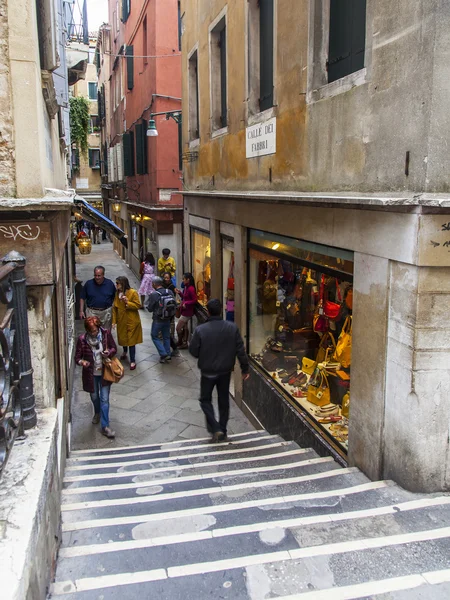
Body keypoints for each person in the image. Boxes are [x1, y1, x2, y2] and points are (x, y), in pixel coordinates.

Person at [189, 298, 250, 443]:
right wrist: (245, 368)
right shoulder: (232, 328)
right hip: (224, 371)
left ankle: (215, 427)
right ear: (221, 309)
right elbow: (240, 350)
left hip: (207, 371)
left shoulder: (200, 330)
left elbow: (193, 351)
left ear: (208, 311)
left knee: (205, 400)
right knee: (224, 400)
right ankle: (222, 429)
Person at [75, 316, 117, 438]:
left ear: (98, 327)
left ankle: (105, 426)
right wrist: (82, 362)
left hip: (105, 373)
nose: (94, 333)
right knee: (94, 397)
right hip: (90, 374)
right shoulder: (82, 339)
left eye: (95, 330)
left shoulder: (105, 334)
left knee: (104, 399)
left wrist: (108, 353)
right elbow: (77, 358)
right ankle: (97, 412)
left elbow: (113, 347)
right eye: (91, 331)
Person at [112, 276, 142, 370]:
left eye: (118, 283)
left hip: (132, 320)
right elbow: (114, 308)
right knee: (123, 337)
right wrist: (114, 321)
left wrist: (127, 302)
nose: (116, 285)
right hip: (122, 320)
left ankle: (132, 360)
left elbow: (137, 305)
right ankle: (125, 351)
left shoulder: (133, 292)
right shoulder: (117, 294)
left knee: (131, 341)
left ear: (123, 284)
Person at [146, 276, 176, 363]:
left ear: (154, 284)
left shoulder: (154, 294)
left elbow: (150, 308)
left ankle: (164, 354)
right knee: (166, 336)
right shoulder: (169, 291)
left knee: (154, 336)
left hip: (157, 319)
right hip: (167, 318)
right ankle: (168, 354)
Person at [79, 266, 116, 330]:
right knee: (92, 332)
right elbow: (82, 297)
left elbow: (115, 298)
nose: (97, 277)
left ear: (103, 275)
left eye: (99, 276)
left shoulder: (109, 284)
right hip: (92, 312)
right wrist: (81, 311)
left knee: (106, 333)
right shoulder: (88, 284)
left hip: (106, 313)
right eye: (95, 275)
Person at [175, 273, 196, 349]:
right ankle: (184, 343)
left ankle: (181, 341)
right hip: (184, 310)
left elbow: (194, 300)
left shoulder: (191, 289)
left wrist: (186, 303)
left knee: (178, 327)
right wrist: (179, 293)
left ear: (188, 279)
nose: (183, 280)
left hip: (187, 311)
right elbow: (185, 297)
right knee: (185, 326)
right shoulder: (186, 288)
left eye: (184, 279)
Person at [162, 272, 180, 357]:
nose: (166, 279)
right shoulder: (161, 286)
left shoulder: (172, 287)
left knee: (165, 330)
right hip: (163, 311)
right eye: (165, 277)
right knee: (165, 331)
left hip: (169, 311)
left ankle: (170, 348)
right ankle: (170, 347)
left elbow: (173, 298)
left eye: (167, 278)